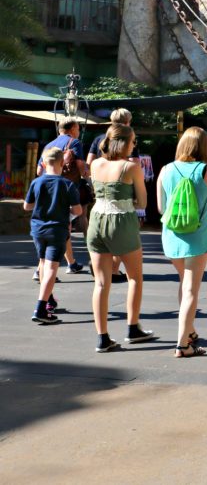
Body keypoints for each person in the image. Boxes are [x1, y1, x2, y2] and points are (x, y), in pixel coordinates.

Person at [88, 124, 153, 351]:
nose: (135, 145)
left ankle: (102, 338)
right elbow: (143, 203)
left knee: (101, 282)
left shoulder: (95, 164)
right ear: (124, 142)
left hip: (96, 220)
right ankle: (133, 327)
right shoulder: (131, 167)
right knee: (134, 277)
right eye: (133, 141)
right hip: (121, 221)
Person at [158, 127, 207, 358]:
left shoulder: (166, 169)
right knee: (191, 290)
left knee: (184, 283)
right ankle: (182, 344)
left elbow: (160, 208)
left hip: (172, 236)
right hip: (197, 236)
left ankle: (190, 331)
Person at [24, 147, 82, 325]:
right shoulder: (67, 184)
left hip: (38, 229)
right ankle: (41, 308)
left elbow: (27, 206)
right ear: (62, 163)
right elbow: (78, 210)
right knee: (51, 268)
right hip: (57, 229)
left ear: (42, 163)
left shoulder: (36, 182)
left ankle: (48, 299)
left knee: (42, 263)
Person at [86, 109, 138, 281]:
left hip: (98, 209)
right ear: (128, 121)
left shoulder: (99, 140)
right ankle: (114, 270)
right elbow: (136, 163)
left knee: (100, 284)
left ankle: (107, 269)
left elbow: (89, 162)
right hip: (122, 208)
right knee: (135, 279)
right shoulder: (128, 139)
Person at [36, 117, 89, 276]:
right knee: (61, 229)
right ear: (72, 128)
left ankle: (71, 263)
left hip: (47, 190)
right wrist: (87, 175)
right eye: (78, 129)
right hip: (65, 190)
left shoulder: (48, 146)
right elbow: (80, 166)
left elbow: (39, 171)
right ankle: (40, 270)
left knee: (63, 227)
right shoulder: (74, 143)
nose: (78, 132)